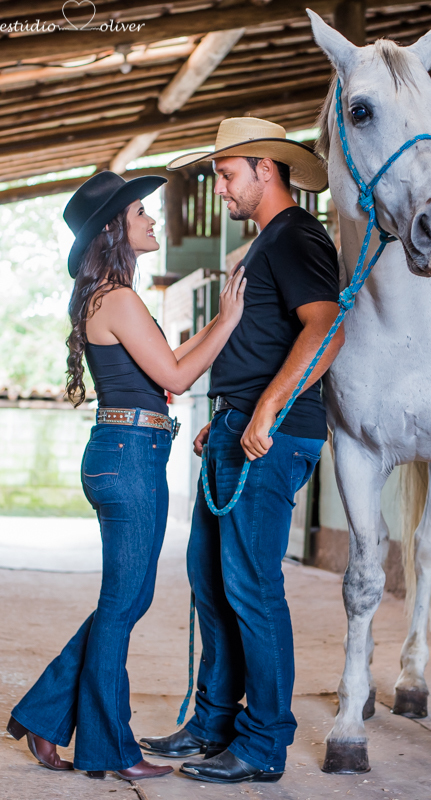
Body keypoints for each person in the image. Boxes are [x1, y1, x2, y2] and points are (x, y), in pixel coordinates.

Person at [6, 170, 246, 782]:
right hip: (129, 452)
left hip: (129, 448)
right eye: (141, 212)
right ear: (114, 227)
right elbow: (177, 376)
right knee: (122, 605)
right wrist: (226, 320)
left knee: (125, 601)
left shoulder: (111, 296)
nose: (151, 220)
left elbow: (164, 374)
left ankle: (43, 713)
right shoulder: (116, 297)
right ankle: (110, 748)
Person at [140, 118, 344, 783]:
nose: (221, 187)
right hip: (239, 428)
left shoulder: (295, 235)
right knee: (212, 583)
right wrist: (228, 412)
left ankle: (262, 745)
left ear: (265, 168)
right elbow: (262, 340)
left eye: (227, 174)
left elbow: (328, 327)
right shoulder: (264, 244)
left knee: (252, 589)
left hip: (273, 433)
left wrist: (264, 408)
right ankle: (212, 724)